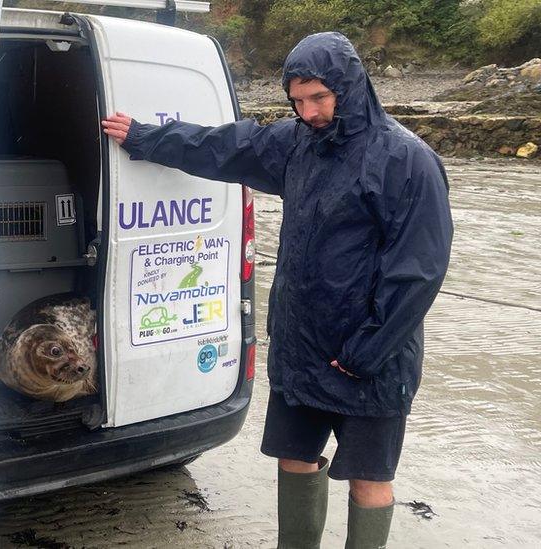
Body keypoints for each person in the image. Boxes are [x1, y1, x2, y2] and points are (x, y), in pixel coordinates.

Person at [102, 32, 452, 549]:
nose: (307, 111)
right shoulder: (295, 144)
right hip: (303, 348)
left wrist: (365, 353)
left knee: (370, 477)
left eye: (318, 98)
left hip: (369, 360)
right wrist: (144, 137)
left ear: (349, 87)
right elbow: (219, 145)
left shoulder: (406, 160)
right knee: (295, 458)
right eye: (297, 100)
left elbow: (418, 271)